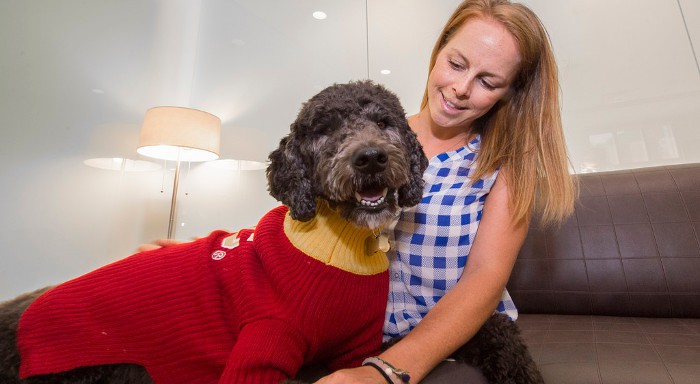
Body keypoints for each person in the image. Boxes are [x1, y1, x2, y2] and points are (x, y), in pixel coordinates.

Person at [144, 1, 576, 382]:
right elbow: (308, 225)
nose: (461, 88)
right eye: (457, 63)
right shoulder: (372, 135)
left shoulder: (505, 165)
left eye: (488, 81)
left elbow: (485, 279)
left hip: (451, 338)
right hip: (353, 333)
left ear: (509, 95)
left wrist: (388, 371)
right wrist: (202, 257)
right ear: (438, 52)